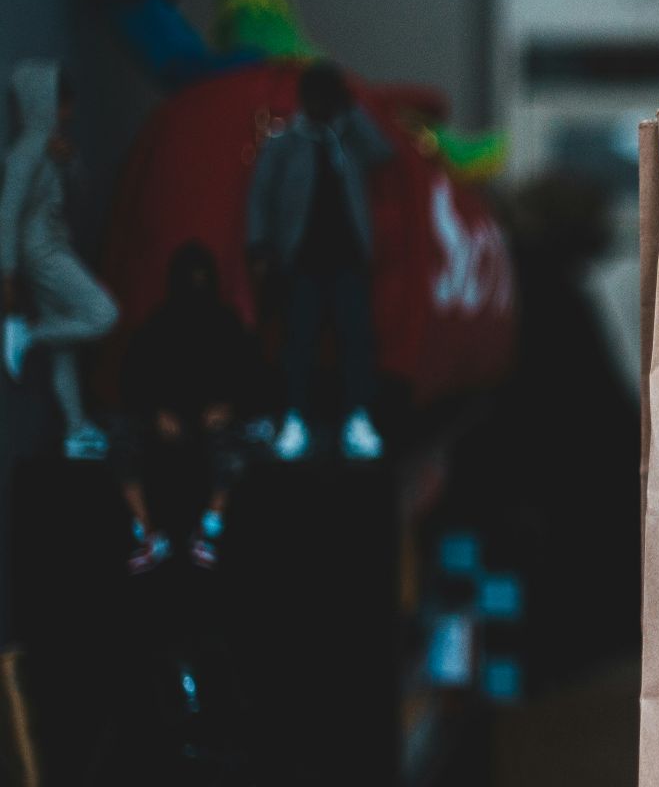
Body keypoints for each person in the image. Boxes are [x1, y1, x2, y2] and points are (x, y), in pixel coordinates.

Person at [246, 61, 391, 462]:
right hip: (301, 259)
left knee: (356, 342)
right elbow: (260, 196)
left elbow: (384, 151)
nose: (322, 106)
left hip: (348, 259)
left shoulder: (347, 138)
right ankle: (295, 419)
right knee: (299, 343)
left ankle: (357, 419)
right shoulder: (285, 142)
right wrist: (259, 246)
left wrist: (353, 110)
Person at [118, 242, 262, 572]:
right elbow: (132, 378)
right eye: (189, 279)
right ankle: (149, 534)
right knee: (123, 440)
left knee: (235, 447)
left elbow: (251, 378)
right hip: (164, 419)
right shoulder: (158, 323)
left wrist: (230, 406)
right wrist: (155, 412)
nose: (196, 286)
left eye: (202, 278)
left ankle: (209, 531)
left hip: (213, 422)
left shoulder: (226, 322)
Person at [1, 60, 119, 460]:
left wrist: (68, 162)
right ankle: (29, 333)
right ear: (46, 102)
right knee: (103, 314)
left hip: (52, 248)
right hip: (44, 253)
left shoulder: (48, 146)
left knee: (65, 350)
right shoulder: (28, 149)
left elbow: (79, 201)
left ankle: (75, 430)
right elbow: (8, 211)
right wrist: (7, 275)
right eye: (62, 103)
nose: (68, 113)